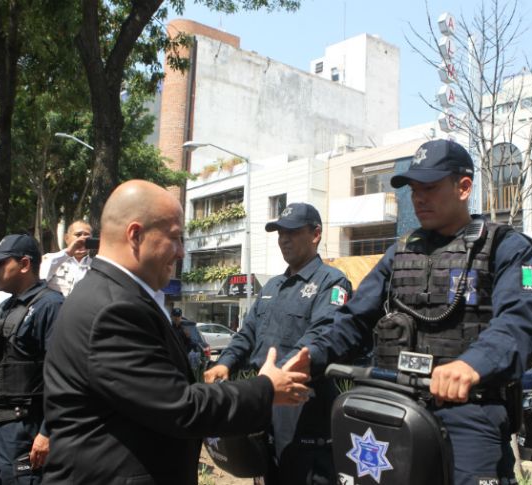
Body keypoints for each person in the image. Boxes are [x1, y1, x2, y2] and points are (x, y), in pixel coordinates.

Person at [292, 139, 532, 485]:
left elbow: (520, 326)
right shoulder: (399, 252)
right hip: (397, 405)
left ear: (464, 187)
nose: (418, 198)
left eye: (429, 187)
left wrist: (472, 365)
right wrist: (311, 354)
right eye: (413, 189)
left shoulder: (506, 247)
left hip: (470, 412)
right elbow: (354, 319)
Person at [43, 180, 311, 484]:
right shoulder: (113, 309)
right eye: (175, 238)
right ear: (135, 235)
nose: (182, 252)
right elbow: (181, 407)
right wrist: (265, 389)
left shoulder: (110, 294)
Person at [204, 202, 353, 485]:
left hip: (305, 406)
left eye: (293, 232)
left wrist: (278, 375)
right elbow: (247, 333)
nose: (284, 239)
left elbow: (322, 335)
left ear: (315, 234)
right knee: (267, 474)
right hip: (266, 402)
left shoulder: (331, 283)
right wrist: (225, 363)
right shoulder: (271, 287)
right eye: (280, 233)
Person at [0, 234, 64, 484]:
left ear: (24, 264)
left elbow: (63, 376)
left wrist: (48, 432)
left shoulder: (50, 306)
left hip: (24, 431)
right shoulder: (3, 309)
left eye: (1, 263)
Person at [39, 220, 93, 296]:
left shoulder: (95, 266)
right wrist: (68, 253)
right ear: (66, 238)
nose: (82, 239)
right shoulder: (51, 259)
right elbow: (40, 279)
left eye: (87, 236)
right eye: (78, 235)